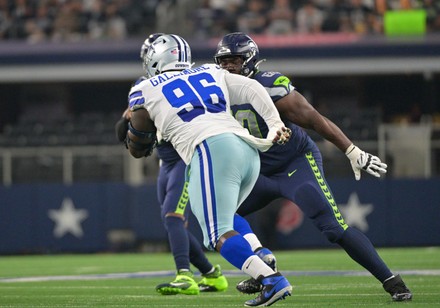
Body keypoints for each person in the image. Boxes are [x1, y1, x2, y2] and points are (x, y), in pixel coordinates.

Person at [213, 32, 413, 302]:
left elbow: (314, 118)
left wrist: (351, 150)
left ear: (249, 60)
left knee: (333, 228)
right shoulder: (214, 91)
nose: (228, 67)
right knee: (219, 216)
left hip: (294, 163)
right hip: (257, 169)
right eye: (223, 61)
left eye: (234, 60)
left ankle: (392, 281)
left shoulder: (270, 85)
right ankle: (263, 262)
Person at [125, 34, 293, 307]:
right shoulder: (210, 70)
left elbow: (138, 144)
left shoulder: (144, 88)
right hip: (248, 149)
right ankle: (259, 253)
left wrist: (132, 133)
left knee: (217, 233)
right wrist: (274, 124)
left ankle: (270, 279)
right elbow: (251, 89)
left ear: (154, 60)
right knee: (226, 218)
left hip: (211, 149)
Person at [115, 33, 229, 296]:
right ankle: (212, 275)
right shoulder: (143, 86)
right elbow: (124, 130)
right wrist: (129, 120)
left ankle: (184, 275)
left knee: (173, 216)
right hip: (165, 161)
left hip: (186, 157)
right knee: (171, 221)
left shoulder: (182, 80)